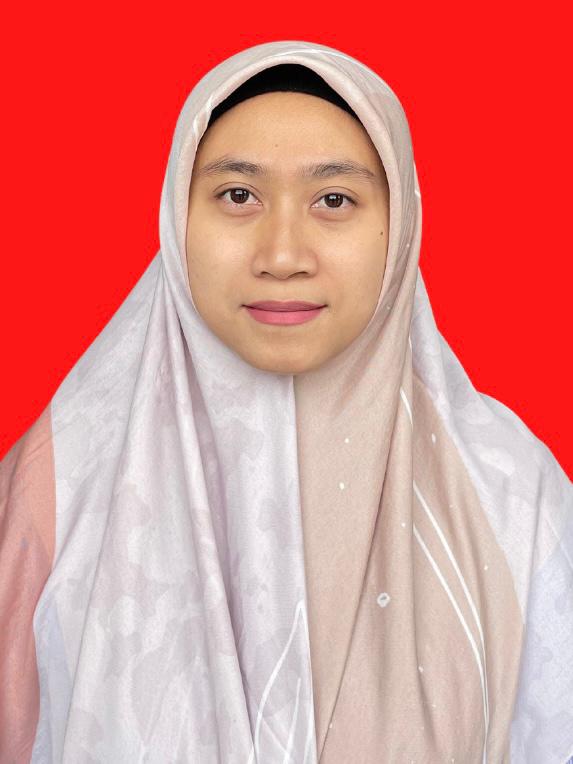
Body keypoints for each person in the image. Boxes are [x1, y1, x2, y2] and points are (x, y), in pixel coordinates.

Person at [0, 40, 571, 764]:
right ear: (177, 216)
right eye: (238, 196)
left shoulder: (509, 493)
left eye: (334, 200)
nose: (281, 254)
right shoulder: (61, 481)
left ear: (399, 226)